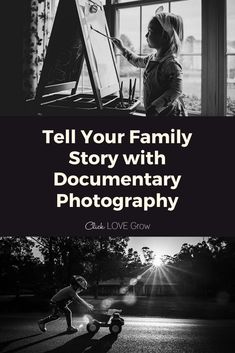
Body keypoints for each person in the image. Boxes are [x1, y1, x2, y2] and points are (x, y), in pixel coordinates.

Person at [112, 8, 187, 117]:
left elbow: (176, 90)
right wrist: (122, 48)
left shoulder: (170, 63)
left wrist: (155, 107)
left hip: (170, 114)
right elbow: (137, 61)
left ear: (165, 37)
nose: (146, 35)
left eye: (150, 31)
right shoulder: (152, 58)